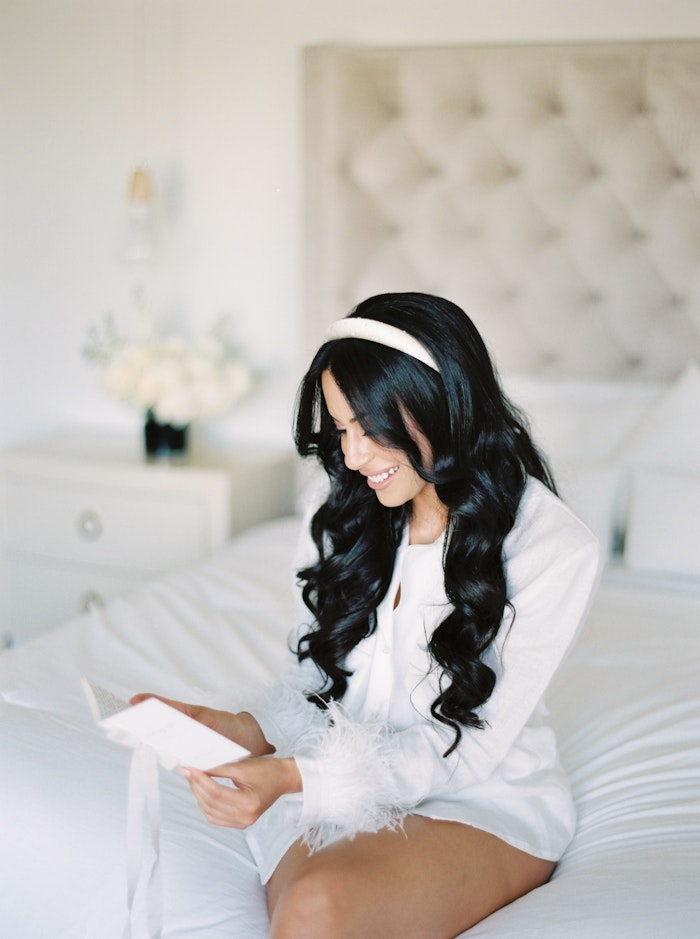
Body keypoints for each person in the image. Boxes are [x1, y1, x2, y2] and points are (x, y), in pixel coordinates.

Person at [134, 292, 601, 939]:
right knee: (312, 911)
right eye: (341, 429)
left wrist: (296, 776)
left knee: (316, 907)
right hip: (335, 774)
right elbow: (316, 685)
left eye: (370, 426)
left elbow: (465, 749)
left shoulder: (550, 546)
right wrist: (237, 727)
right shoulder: (342, 512)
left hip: (480, 800)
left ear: (438, 401)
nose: (352, 456)